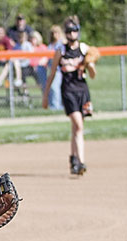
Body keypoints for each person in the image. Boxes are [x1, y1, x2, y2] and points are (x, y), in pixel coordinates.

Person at [43, 17, 97, 176]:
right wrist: (46, 95)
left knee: (76, 128)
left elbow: (92, 75)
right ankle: (81, 161)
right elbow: (52, 73)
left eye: (74, 30)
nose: (71, 33)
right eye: (68, 31)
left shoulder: (84, 48)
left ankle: (73, 159)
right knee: (79, 125)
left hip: (82, 90)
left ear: (78, 32)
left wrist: (90, 64)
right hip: (68, 91)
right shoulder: (61, 51)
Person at [46, 25, 65, 110]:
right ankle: (55, 104)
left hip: (59, 70)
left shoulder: (62, 44)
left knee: (55, 87)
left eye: (56, 32)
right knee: (52, 88)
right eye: (53, 33)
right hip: (51, 69)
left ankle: (56, 106)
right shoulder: (51, 45)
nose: (54, 34)